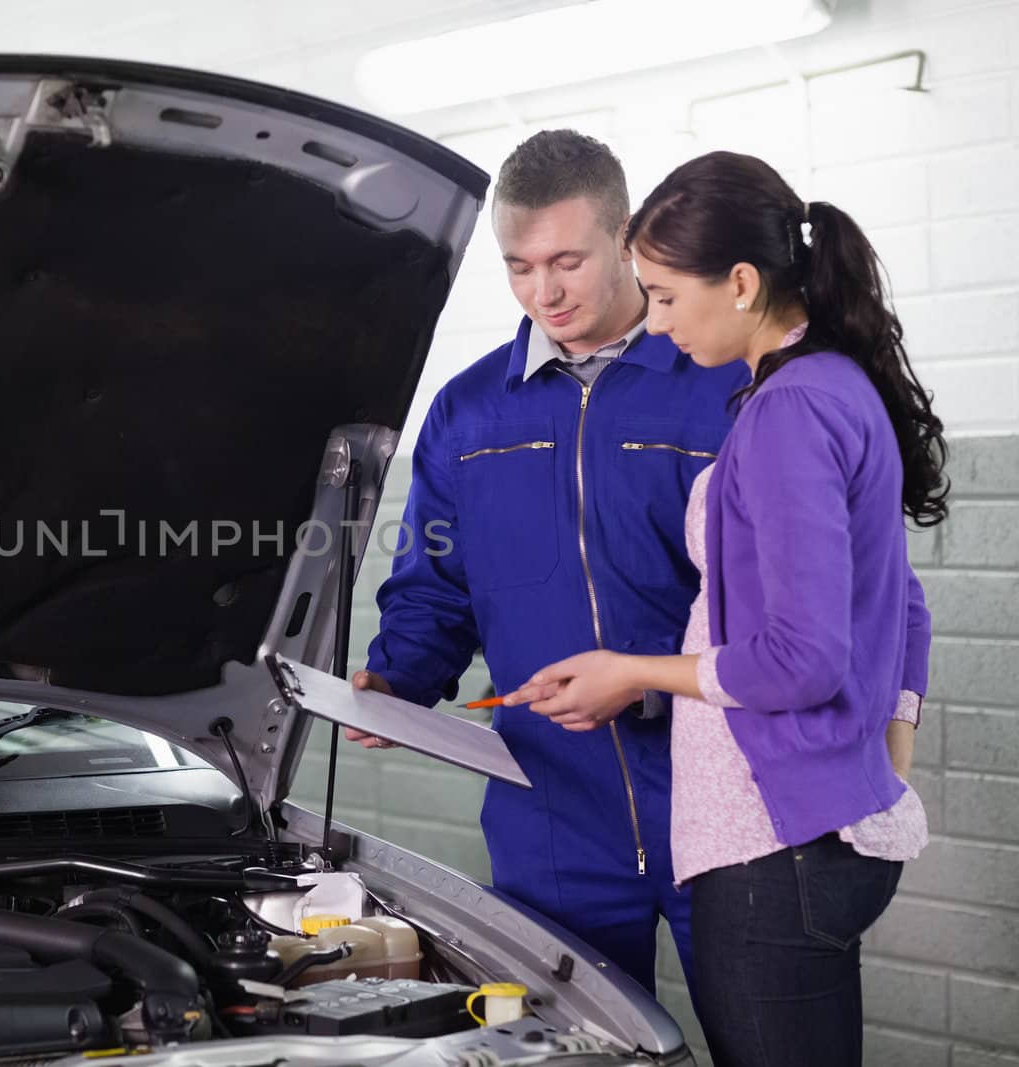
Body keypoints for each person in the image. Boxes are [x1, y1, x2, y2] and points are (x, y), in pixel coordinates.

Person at [505, 150, 942, 1067]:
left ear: (741, 283)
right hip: (812, 833)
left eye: (664, 296)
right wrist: (878, 757)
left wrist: (631, 672)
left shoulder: (787, 410)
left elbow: (801, 660)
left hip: (768, 847)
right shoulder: (833, 384)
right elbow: (902, 600)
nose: (657, 325)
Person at [347, 130, 746, 995]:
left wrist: (647, 685)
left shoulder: (725, 381)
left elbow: (775, 604)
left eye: (566, 260)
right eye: (519, 266)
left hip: (725, 795)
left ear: (627, 235)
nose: (544, 291)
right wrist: (395, 681)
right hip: (550, 813)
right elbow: (434, 585)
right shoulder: (468, 412)